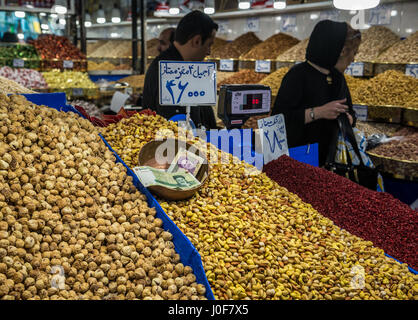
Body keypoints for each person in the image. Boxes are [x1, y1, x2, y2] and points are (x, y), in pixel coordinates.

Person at [271, 20, 361, 166]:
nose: (353, 59)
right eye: (353, 53)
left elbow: (350, 112)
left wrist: (348, 120)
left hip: (331, 160)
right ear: (341, 51)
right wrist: (317, 112)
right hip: (299, 160)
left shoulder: (337, 77)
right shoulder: (297, 75)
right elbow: (277, 122)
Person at [142, 10, 218, 129]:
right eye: (209, 44)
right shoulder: (167, 71)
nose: (209, 51)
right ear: (197, 41)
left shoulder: (187, 67)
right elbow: (174, 127)